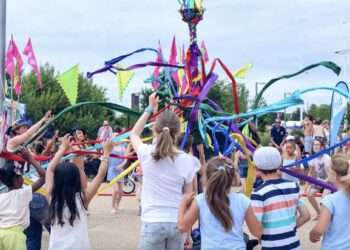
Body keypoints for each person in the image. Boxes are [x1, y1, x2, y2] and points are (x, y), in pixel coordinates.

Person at [130, 93, 199, 250]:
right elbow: (189, 198)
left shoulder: (146, 153)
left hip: (152, 222)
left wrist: (149, 108)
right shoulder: (188, 160)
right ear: (178, 131)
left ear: (155, 129)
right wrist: (188, 232)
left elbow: (134, 134)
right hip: (177, 223)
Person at [177, 157, 262, 250]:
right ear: (233, 177)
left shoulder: (201, 200)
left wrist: (183, 204)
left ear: (207, 178)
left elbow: (182, 227)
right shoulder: (243, 201)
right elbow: (257, 232)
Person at [46, 135, 114, 250]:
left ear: (56, 180)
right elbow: (100, 175)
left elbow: (50, 169)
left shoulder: (51, 197)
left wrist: (62, 149)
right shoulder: (82, 199)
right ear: (76, 180)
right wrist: (106, 153)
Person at [251, 147, 310, 250]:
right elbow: (306, 215)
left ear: (256, 168)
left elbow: (257, 228)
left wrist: (259, 237)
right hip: (294, 245)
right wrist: (289, 228)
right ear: (279, 165)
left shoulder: (258, 193)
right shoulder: (293, 186)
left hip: (271, 246)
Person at [0, 150, 46, 250]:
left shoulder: (1, 197)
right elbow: (43, 177)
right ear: (16, 181)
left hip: (1, 233)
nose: (22, 178)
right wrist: (31, 159)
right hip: (15, 237)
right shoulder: (23, 194)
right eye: (20, 176)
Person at [309, 153, 350, 249]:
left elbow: (319, 230)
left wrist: (312, 234)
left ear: (334, 174)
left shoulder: (330, 200)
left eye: (329, 169)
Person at [306, 138, 331, 219]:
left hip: (329, 182)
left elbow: (331, 175)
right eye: (314, 144)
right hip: (319, 182)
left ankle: (326, 216)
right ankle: (319, 213)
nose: (315, 146)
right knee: (309, 195)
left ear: (322, 147)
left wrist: (324, 183)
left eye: (317, 145)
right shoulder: (313, 158)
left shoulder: (327, 158)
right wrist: (308, 184)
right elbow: (310, 173)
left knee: (324, 198)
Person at [107, 143, 133, 214]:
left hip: (120, 170)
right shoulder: (110, 146)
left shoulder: (122, 147)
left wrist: (130, 147)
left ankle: (117, 206)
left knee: (121, 192)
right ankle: (112, 207)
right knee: (116, 190)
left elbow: (126, 155)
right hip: (113, 169)